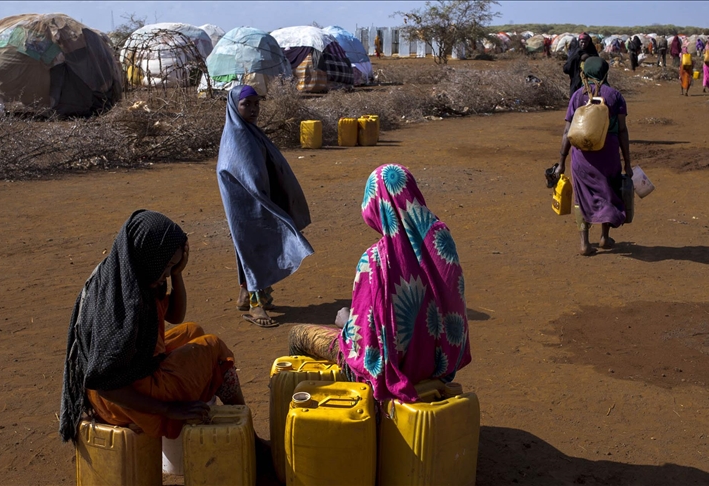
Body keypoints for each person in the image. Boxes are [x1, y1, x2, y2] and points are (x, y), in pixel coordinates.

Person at [287, 164, 471, 403]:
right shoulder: (442, 242)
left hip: (394, 372)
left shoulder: (375, 260)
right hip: (441, 366)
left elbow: (369, 350)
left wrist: (347, 324)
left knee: (298, 335)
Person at [59, 210, 246, 443]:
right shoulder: (126, 306)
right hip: (118, 400)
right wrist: (168, 410)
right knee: (215, 348)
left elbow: (176, 316)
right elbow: (106, 385)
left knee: (193, 331)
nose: (166, 274)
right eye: (166, 265)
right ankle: (248, 438)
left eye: (172, 266)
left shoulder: (124, 273)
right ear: (149, 255)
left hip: (126, 380)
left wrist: (177, 274)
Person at [217, 85, 314, 328]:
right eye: (246, 104)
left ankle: (244, 294)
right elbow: (235, 171)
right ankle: (256, 305)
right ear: (234, 106)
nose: (253, 109)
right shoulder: (237, 136)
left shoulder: (250, 131)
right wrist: (259, 195)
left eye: (256, 103)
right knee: (255, 247)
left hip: (258, 198)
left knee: (250, 246)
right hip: (246, 203)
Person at [555, 57, 632, 256]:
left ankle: (584, 243)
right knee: (608, 191)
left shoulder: (577, 96)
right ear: (605, 72)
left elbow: (567, 131)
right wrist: (628, 163)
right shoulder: (615, 96)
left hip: (581, 156)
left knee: (582, 196)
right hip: (608, 153)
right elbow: (622, 131)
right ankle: (605, 237)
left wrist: (561, 162)